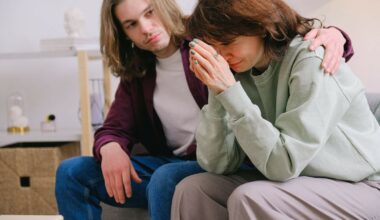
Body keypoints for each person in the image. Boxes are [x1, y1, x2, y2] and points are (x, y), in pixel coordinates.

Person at [55, 0, 353, 219]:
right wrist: (109, 147)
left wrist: (336, 35)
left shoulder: (211, 40)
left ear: (164, 6)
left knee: (167, 178)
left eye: (149, 12)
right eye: (131, 24)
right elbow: (113, 128)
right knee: (71, 172)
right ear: (123, 33)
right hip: (175, 161)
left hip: (231, 158)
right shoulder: (138, 70)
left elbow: (280, 36)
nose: (146, 28)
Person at [171, 0, 380, 219]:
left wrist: (230, 92)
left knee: (250, 197)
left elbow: (283, 165)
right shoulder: (239, 69)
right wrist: (217, 91)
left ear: (259, 26)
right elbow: (217, 164)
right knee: (193, 190)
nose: (221, 56)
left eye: (226, 42)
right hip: (299, 181)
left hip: (363, 186)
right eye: (214, 48)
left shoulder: (311, 59)